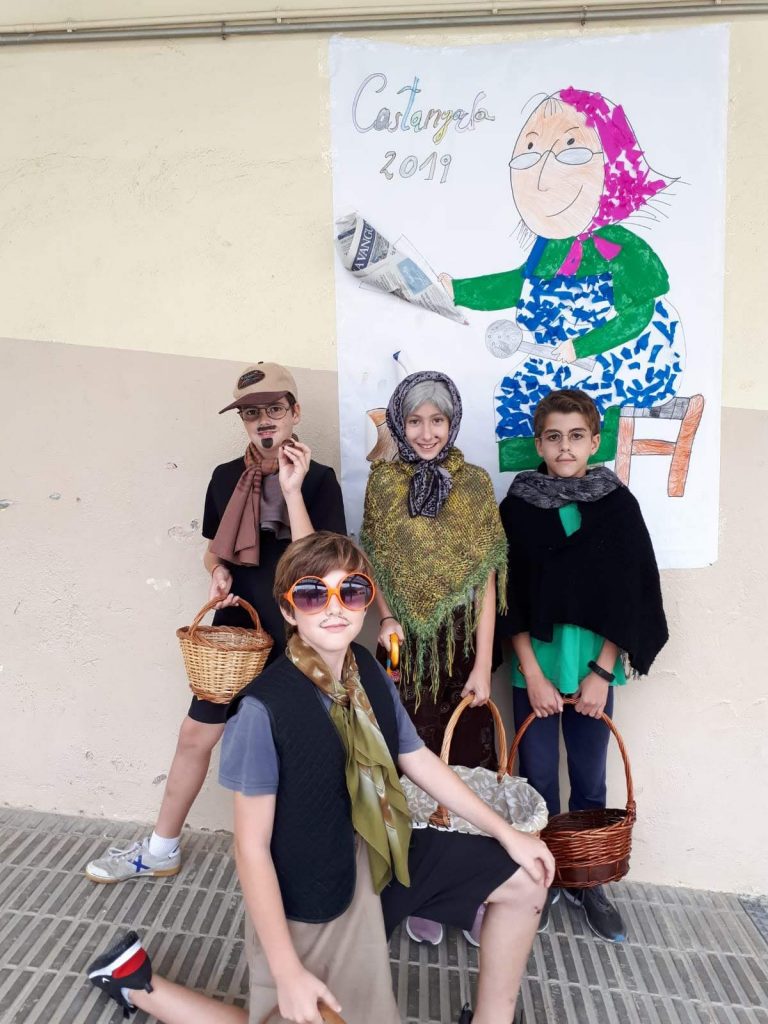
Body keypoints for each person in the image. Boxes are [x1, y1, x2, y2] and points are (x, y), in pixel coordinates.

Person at [86, 532, 554, 1024]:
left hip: (382, 848)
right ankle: (137, 985)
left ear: (367, 601)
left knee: (526, 879)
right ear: (288, 611)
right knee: (310, 1012)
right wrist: (286, 970)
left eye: (351, 591)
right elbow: (250, 848)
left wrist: (505, 833)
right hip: (316, 888)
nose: (334, 607)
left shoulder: (366, 670)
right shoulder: (263, 710)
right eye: (313, 593)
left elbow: (416, 758)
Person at [85, 363, 346, 884]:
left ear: (295, 413)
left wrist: (292, 490)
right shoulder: (227, 477)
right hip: (237, 635)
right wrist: (218, 570)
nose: (264, 421)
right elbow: (214, 550)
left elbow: (318, 568)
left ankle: (292, 860)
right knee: (195, 736)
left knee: (294, 747)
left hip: (300, 634)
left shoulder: (319, 480)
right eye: (251, 413)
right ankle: (161, 848)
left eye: (274, 409)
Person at [498, 389, 668, 941]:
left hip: (594, 669)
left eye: (576, 436)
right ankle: (543, 877)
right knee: (538, 778)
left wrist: (601, 674)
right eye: (554, 437)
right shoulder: (518, 506)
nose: (565, 447)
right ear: (539, 443)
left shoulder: (616, 506)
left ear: (595, 441)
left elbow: (631, 595)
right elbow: (507, 596)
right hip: (535, 670)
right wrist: (533, 674)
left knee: (590, 778)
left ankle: (586, 878)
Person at [440, 88, 684, 471]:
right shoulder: (550, 247)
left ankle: (583, 480)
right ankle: (535, 483)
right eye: (529, 155)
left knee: (577, 410)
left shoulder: (623, 247)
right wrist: (457, 291)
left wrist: (583, 346)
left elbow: (638, 315)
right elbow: (518, 285)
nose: (542, 175)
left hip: (622, 360)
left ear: (612, 166)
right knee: (517, 394)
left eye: (570, 152)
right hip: (558, 357)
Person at [359, 370, 509, 947]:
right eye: (415, 421)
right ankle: (420, 892)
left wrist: (483, 663)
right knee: (408, 767)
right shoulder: (383, 483)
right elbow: (373, 557)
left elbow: (487, 579)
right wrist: (387, 617)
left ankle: (470, 894)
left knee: (467, 766)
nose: (426, 433)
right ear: (400, 424)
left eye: (438, 420)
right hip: (404, 649)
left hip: (461, 648)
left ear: (453, 423)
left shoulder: (474, 485)